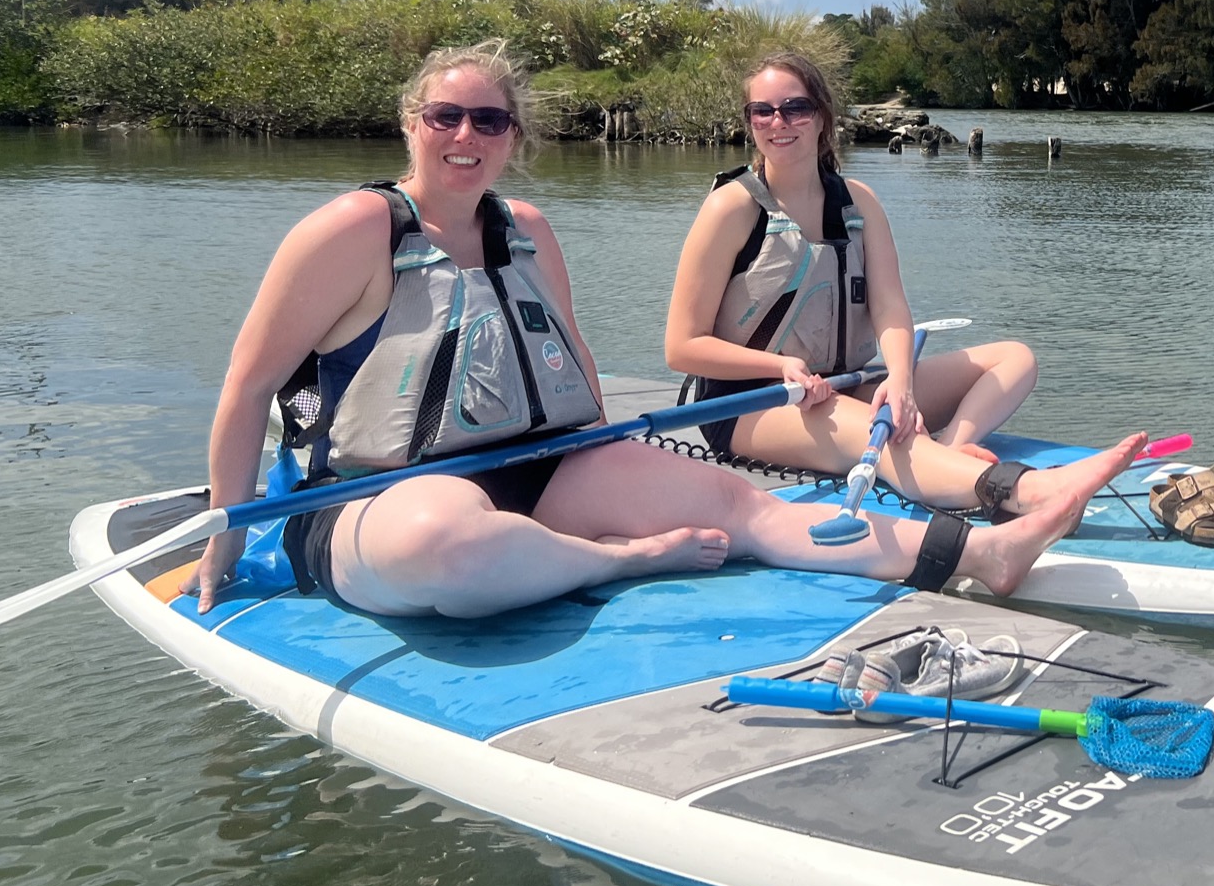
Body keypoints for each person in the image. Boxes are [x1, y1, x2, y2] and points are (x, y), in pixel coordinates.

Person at [187, 39, 1144, 618]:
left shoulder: (527, 232)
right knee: (450, 541)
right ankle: (618, 561)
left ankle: (985, 553)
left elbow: (573, 363)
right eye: (448, 116)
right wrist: (224, 542)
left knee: (745, 509)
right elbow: (247, 388)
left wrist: (615, 462)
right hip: (377, 494)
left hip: (542, 463)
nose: (467, 137)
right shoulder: (353, 230)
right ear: (412, 122)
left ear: (513, 135)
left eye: (490, 120)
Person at [667, 53, 1095, 520]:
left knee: (1015, 359)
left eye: (795, 108)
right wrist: (780, 365)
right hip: (749, 405)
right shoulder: (730, 209)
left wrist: (900, 381)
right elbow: (681, 347)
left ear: (822, 117)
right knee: (875, 428)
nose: (778, 122)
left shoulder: (859, 203)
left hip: (841, 386)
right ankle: (1020, 492)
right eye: (762, 111)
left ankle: (950, 450)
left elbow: (890, 307)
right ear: (749, 120)